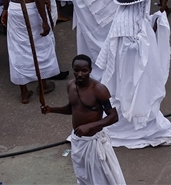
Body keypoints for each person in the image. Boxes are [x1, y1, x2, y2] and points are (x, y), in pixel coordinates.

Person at [95, 0, 171, 148]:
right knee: (131, 97)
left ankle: (145, 125)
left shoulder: (133, 15)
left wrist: (155, 20)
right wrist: (143, 41)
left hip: (138, 69)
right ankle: (136, 129)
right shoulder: (124, 24)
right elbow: (129, 52)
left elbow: (143, 24)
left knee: (144, 95)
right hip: (130, 73)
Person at [42, 54, 126, 185]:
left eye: (84, 71)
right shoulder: (70, 86)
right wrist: (52, 109)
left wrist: (90, 126)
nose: (80, 74)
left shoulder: (99, 89)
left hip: (93, 142)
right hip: (78, 141)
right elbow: (72, 109)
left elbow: (113, 116)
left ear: (90, 70)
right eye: (76, 70)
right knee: (83, 176)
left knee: (100, 178)